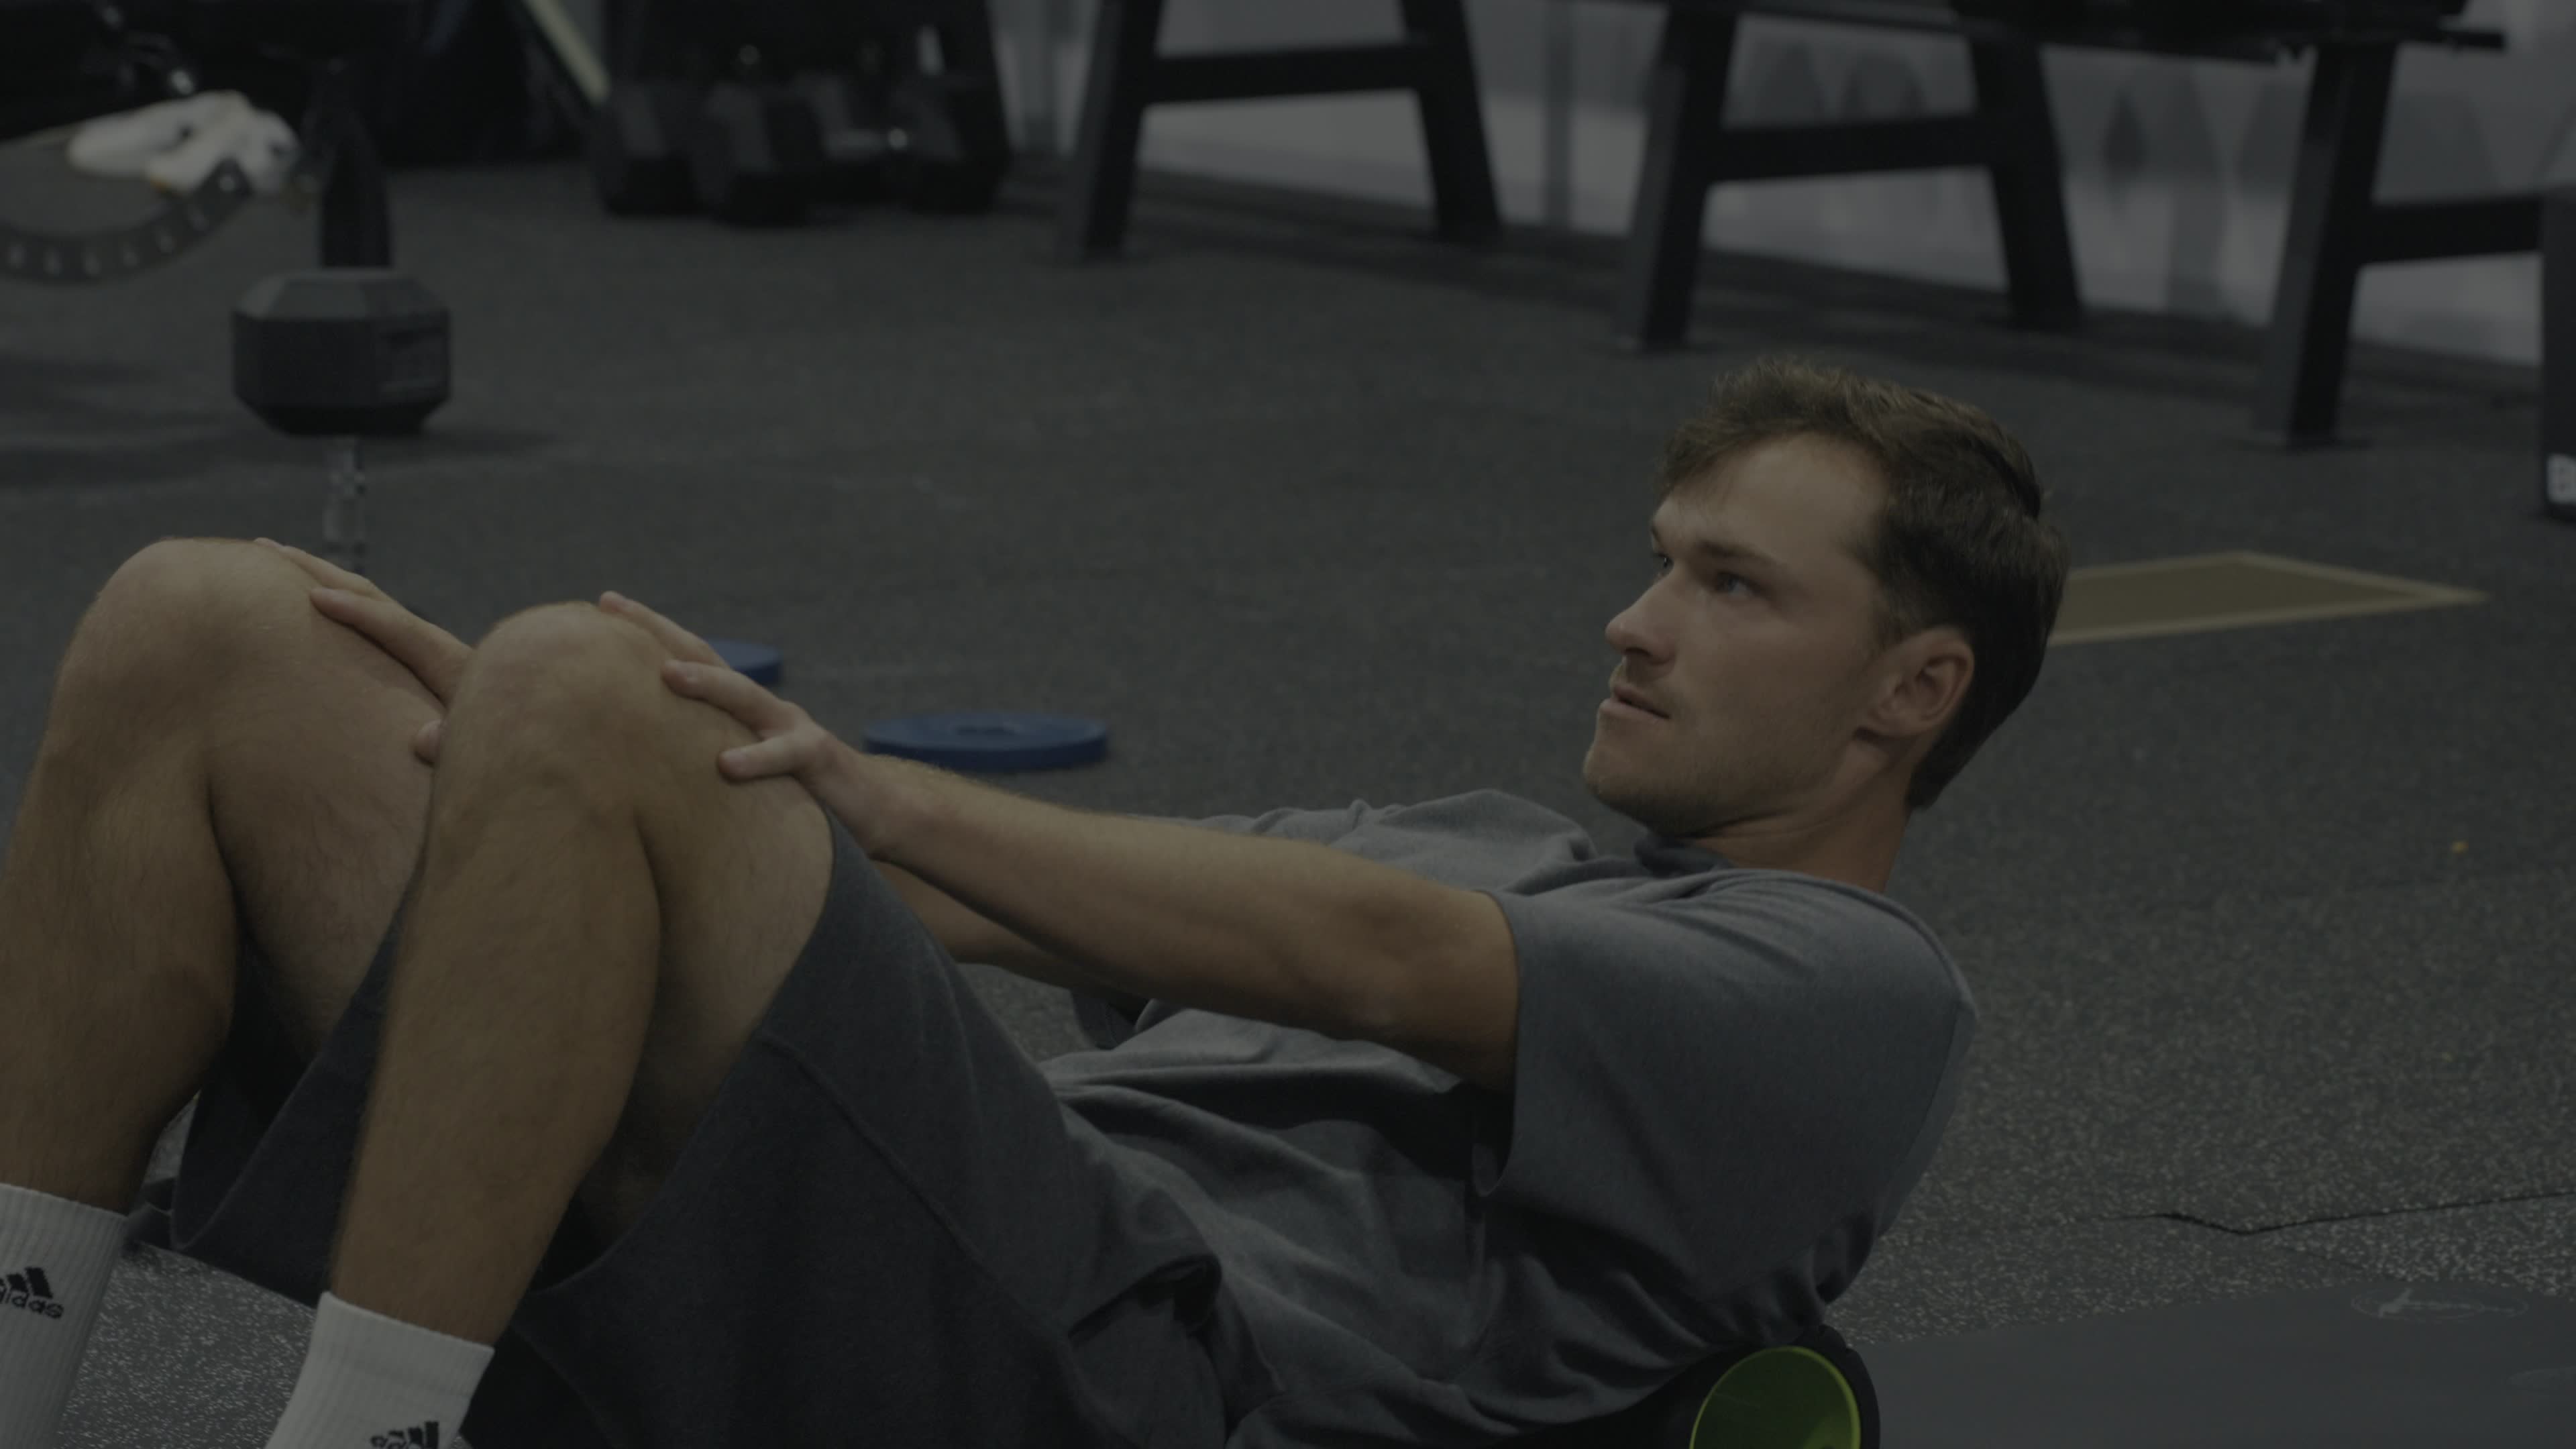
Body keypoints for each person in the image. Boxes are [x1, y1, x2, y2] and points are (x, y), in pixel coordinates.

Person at [0, 356, 2070, 1448]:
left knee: (587, 675)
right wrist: (549, 781)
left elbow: (1384, 960)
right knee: (214, 624)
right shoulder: (1459, 818)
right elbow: (941, 899)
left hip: (1139, 1381)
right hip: (897, 1272)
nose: (1634, 621)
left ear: (1913, 692)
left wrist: (753, 763)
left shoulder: (1856, 987)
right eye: (1659, 559)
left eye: (1732, 586)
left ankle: (373, 1438)